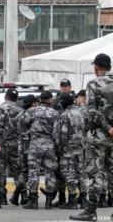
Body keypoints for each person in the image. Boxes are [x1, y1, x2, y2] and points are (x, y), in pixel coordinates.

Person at [70, 54, 113, 221]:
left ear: (96, 68)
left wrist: (108, 128)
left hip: (97, 137)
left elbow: (92, 112)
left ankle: (90, 211)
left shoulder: (93, 84)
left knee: (94, 173)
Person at [22, 91, 59, 210]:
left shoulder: (32, 111)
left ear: (40, 99)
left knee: (33, 172)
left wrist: (29, 134)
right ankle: (48, 202)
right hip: (49, 145)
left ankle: (33, 200)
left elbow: (22, 122)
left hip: (35, 144)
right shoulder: (55, 113)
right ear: (50, 99)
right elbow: (57, 131)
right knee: (50, 173)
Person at [55, 92, 87, 210]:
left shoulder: (65, 115)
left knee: (69, 174)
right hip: (80, 148)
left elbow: (62, 134)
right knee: (81, 174)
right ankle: (84, 200)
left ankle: (72, 201)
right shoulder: (81, 113)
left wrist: (59, 147)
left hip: (67, 149)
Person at [1, 88, 25, 206]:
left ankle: (2, 197)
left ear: (6, 97)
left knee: (1, 171)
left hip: (1, 144)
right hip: (15, 143)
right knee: (18, 171)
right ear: (16, 99)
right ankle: (24, 195)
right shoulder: (20, 111)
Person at [52, 78, 73, 208]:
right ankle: (61, 198)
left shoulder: (72, 100)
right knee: (59, 172)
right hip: (58, 141)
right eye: (62, 86)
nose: (64, 88)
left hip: (70, 142)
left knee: (70, 172)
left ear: (70, 87)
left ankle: (74, 198)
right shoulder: (56, 102)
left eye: (66, 86)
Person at [18, 94, 39, 206]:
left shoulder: (20, 115)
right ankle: (29, 196)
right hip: (30, 146)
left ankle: (19, 194)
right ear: (33, 104)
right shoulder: (32, 113)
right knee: (31, 172)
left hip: (22, 146)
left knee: (24, 171)